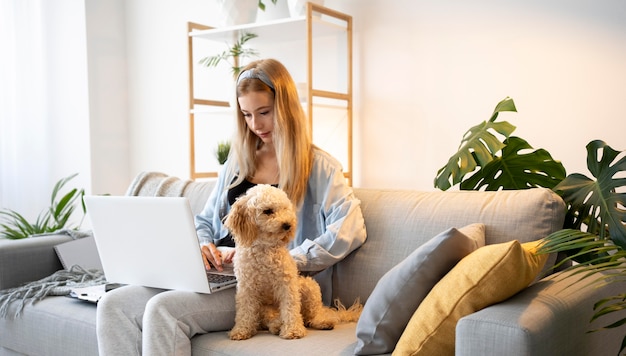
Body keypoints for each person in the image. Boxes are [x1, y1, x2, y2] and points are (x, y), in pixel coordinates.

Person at [96, 58, 366, 356]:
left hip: (265, 287)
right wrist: (203, 245)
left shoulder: (319, 167)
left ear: (286, 107)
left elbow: (349, 230)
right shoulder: (238, 161)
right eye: (247, 114)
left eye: (264, 112)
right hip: (222, 272)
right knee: (114, 305)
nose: (256, 124)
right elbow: (205, 221)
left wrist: (288, 260)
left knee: (163, 310)